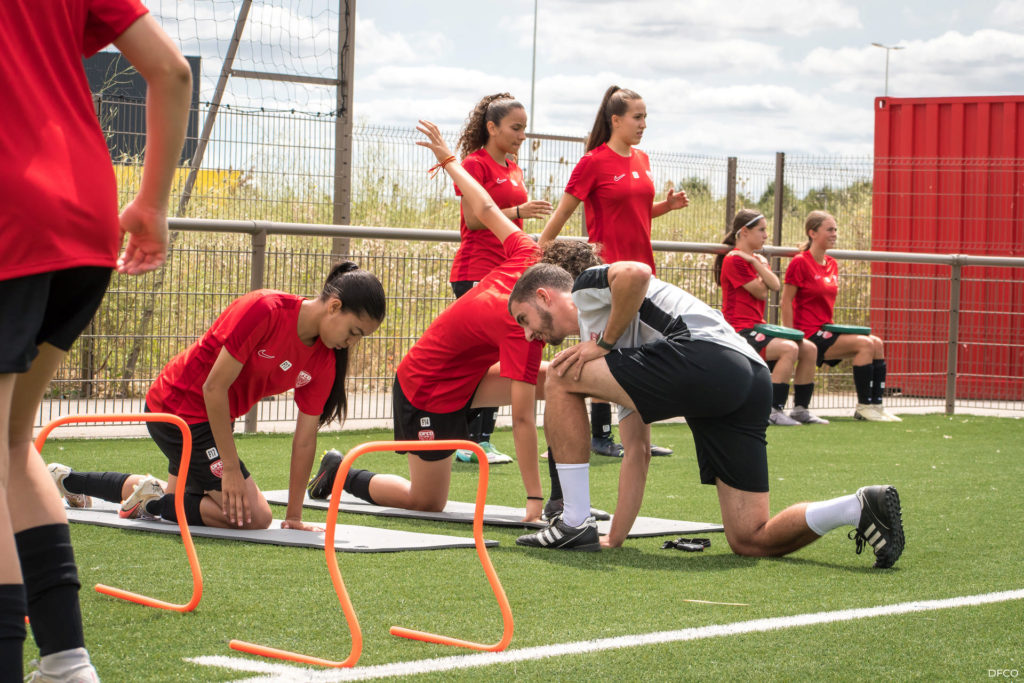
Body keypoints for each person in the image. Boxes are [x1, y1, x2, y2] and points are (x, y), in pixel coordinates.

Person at [0, 0, 191, 679]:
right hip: (85, 220)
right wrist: (153, 203)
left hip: (11, 217)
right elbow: (171, 71)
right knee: (12, 443)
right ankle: (65, 660)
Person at [506, 250, 905, 570]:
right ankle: (856, 506)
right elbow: (637, 451)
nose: (527, 334)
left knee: (559, 375)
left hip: (707, 358)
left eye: (524, 319)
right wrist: (617, 537)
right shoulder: (617, 361)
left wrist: (604, 344)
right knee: (750, 538)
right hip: (749, 378)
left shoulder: (586, 289)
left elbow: (637, 272)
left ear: (544, 295)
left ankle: (573, 521)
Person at [306, 120, 549, 523]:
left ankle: (566, 499)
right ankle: (339, 472)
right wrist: (533, 501)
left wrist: (450, 161)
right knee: (426, 502)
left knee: (561, 379)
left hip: (468, 380)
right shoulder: (525, 324)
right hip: (428, 388)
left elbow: (488, 208)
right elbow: (523, 420)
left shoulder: (528, 253)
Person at [50, 264, 386, 536]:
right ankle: (150, 505)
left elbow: (305, 438)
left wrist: (295, 516)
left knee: (179, 497)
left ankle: (68, 479)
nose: (352, 343)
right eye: (354, 332)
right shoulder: (265, 309)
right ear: (334, 306)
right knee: (255, 516)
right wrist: (230, 468)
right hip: (178, 408)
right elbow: (213, 388)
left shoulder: (325, 361)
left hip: (211, 421)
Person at [539, 85, 687, 458]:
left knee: (640, 352)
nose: (643, 124)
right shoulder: (593, 162)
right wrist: (536, 257)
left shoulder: (643, 158)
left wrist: (665, 207)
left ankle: (637, 438)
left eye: (645, 117)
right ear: (616, 120)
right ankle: (600, 436)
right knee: (602, 352)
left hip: (644, 274)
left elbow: (634, 210)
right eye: (637, 117)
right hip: (607, 275)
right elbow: (563, 214)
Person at [448, 93, 552, 464]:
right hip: (476, 272)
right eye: (516, 128)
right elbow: (474, 220)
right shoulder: (474, 164)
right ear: (492, 127)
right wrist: (520, 209)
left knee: (499, 356)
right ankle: (464, 440)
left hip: (507, 274)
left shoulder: (513, 167)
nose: (522, 135)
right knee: (477, 358)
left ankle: (482, 440)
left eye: (525, 128)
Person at [781, 211, 900, 422]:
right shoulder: (800, 262)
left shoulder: (832, 263)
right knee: (865, 345)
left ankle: (876, 405)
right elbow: (786, 301)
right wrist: (792, 336)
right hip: (809, 332)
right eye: (829, 229)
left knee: (877, 343)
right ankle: (864, 407)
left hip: (827, 329)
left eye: (835, 229)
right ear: (812, 233)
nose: (834, 234)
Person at [715, 209, 828, 426]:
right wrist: (756, 267)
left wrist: (755, 262)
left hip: (758, 327)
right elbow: (761, 292)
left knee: (809, 348)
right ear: (745, 232)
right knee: (789, 349)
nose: (766, 235)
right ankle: (773, 410)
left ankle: (800, 410)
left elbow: (775, 285)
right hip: (739, 331)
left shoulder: (756, 259)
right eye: (761, 230)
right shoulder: (733, 259)